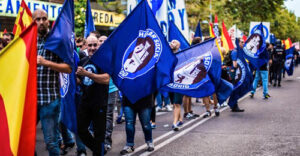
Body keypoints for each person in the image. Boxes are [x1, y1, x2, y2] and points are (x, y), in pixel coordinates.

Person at [34, 9, 72, 156]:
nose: (42, 22)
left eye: (44, 19)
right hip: (30, 101)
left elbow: (68, 68)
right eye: (38, 19)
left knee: (51, 142)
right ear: (33, 22)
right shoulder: (28, 42)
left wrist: (46, 62)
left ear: (48, 20)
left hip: (50, 99)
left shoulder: (57, 40)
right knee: (26, 140)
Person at [76, 35, 110, 156]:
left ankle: (98, 151)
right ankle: (99, 150)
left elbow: (106, 79)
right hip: (85, 102)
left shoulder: (104, 60)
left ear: (99, 45)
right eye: (90, 45)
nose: (92, 48)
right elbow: (81, 80)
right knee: (80, 130)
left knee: (99, 134)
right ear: (86, 46)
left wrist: (87, 74)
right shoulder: (82, 61)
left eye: (95, 45)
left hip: (99, 102)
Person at [169, 40, 184, 131]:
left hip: (179, 81)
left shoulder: (182, 54)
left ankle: (174, 123)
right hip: (170, 82)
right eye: (171, 42)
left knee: (176, 103)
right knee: (174, 103)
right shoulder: (168, 54)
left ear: (178, 46)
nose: (171, 43)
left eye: (174, 42)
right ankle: (180, 119)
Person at [229, 38, 245, 112]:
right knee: (235, 89)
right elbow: (234, 64)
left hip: (237, 73)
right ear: (238, 43)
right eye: (242, 42)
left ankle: (234, 105)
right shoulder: (235, 52)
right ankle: (234, 105)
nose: (243, 43)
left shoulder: (239, 51)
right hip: (235, 73)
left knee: (236, 88)